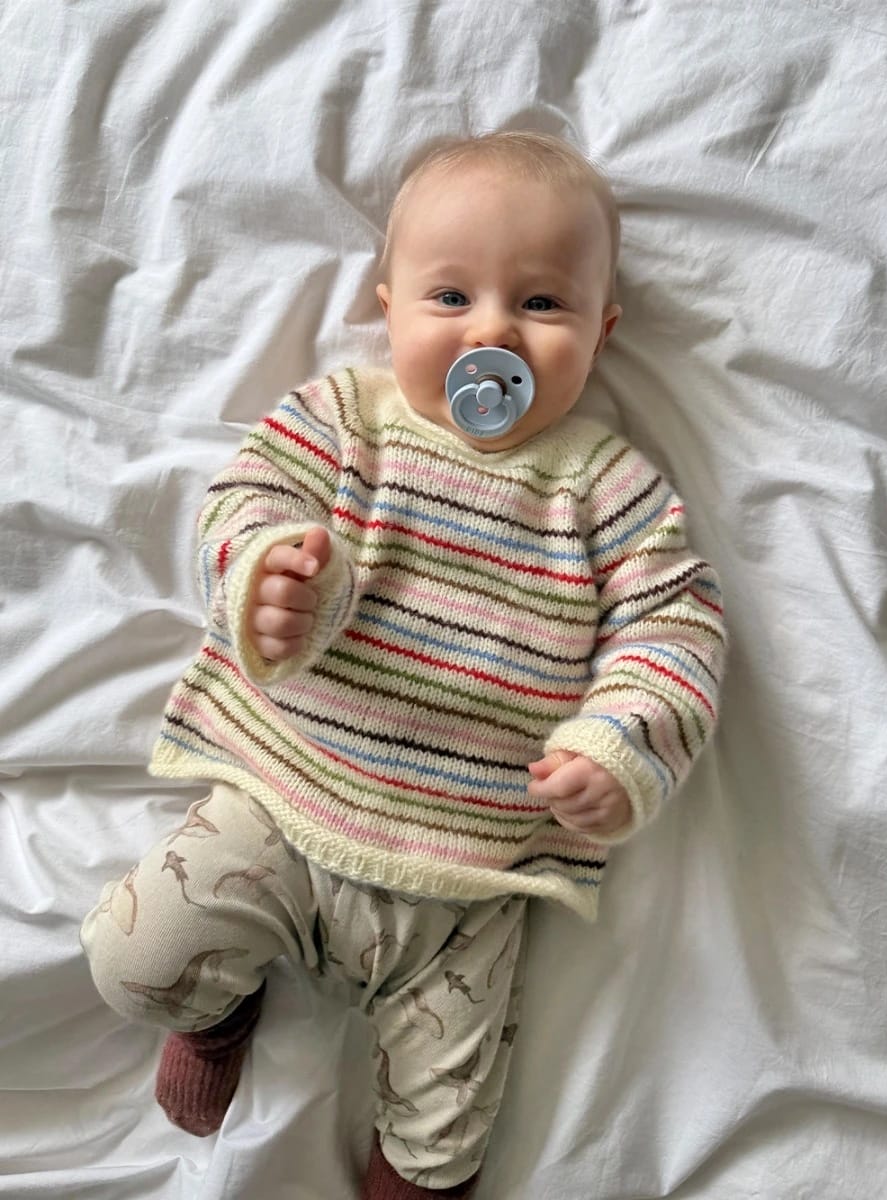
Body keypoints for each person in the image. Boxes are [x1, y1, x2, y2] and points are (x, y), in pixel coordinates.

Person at [81, 131, 726, 1199]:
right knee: (132, 959)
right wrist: (265, 576)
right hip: (279, 805)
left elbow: (676, 626)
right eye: (451, 297)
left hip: (465, 881)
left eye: (542, 304)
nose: (493, 333)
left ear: (602, 330)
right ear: (389, 308)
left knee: (445, 1135)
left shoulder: (608, 491)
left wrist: (621, 743)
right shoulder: (347, 420)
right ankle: (217, 1010)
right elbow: (242, 499)